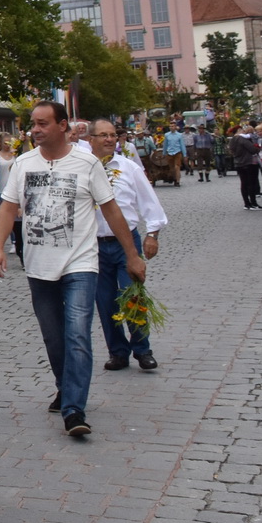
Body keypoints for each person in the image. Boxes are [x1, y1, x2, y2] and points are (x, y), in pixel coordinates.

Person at [0, 102, 145, 438]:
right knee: (53, 336)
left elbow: (112, 211)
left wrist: (132, 255)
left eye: (43, 123)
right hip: (38, 265)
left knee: (77, 334)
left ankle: (74, 409)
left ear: (62, 126)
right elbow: (8, 207)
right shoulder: (24, 163)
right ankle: (65, 385)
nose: (35, 130)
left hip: (81, 263)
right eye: (33, 124)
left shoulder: (87, 163)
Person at [88, 120, 165, 372]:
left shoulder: (129, 168)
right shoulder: (83, 168)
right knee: (105, 300)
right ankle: (117, 352)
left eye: (113, 135)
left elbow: (149, 202)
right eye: (103, 135)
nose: (110, 139)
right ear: (90, 139)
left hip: (126, 242)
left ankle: (142, 349)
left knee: (132, 294)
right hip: (94, 244)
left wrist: (152, 234)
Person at [231, 123, 262, 210]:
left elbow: (231, 150)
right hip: (248, 163)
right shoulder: (242, 139)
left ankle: (246, 203)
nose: (244, 131)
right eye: (242, 130)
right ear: (239, 131)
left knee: (244, 183)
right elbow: (253, 149)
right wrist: (258, 148)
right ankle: (253, 203)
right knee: (251, 183)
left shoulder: (233, 140)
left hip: (239, 163)